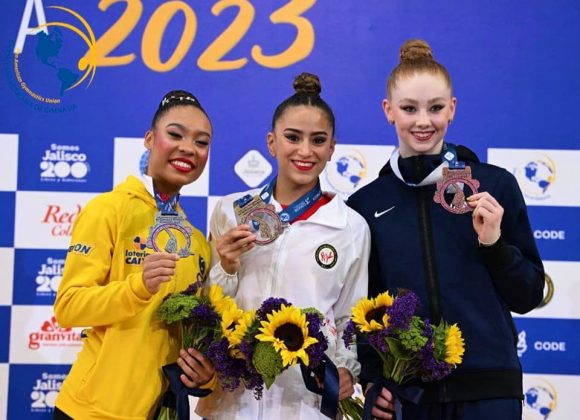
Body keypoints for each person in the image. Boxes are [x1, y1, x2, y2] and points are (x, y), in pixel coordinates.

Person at [347, 39, 545, 420]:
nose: (423, 121)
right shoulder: (366, 204)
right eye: (409, 109)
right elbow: (364, 307)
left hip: (490, 394)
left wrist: (495, 245)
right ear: (389, 111)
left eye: (435, 108)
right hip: (408, 398)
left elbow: (529, 294)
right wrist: (374, 379)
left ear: (452, 109)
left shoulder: (494, 186)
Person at [199, 73, 370, 419]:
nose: (305, 151)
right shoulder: (231, 211)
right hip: (233, 404)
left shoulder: (351, 226)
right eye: (293, 137)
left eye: (318, 140)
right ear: (272, 142)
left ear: (332, 148)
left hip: (306, 404)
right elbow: (206, 308)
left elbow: (351, 317)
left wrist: (347, 370)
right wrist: (227, 267)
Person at [53, 90, 216, 420]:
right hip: (92, 412)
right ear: (149, 139)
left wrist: (207, 377)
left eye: (201, 142)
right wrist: (137, 286)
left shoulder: (197, 242)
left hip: (160, 412)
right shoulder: (108, 210)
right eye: (175, 134)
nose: (189, 148)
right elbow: (69, 306)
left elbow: (194, 334)